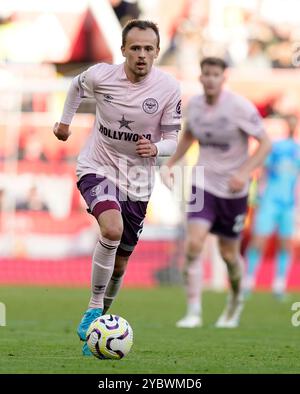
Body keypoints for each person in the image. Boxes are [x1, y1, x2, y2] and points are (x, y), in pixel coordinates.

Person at [53, 20, 181, 355]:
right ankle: (94, 307)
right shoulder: (101, 75)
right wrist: (65, 122)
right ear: (123, 50)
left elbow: (173, 139)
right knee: (111, 229)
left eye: (148, 49)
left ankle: (98, 324)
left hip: (138, 180)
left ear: (156, 51)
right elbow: (76, 86)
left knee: (120, 264)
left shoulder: (168, 88)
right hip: (97, 166)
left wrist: (156, 149)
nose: (141, 55)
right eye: (135, 48)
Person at [161, 57, 271, 328]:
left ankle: (235, 302)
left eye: (215, 74)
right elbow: (189, 136)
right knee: (194, 243)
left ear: (224, 78)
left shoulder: (239, 107)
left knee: (229, 255)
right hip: (203, 183)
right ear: (200, 78)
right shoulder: (195, 106)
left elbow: (266, 143)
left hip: (234, 190)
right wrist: (170, 163)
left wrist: (244, 172)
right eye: (206, 74)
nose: (210, 79)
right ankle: (193, 311)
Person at [244, 114, 300, 299]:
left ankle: (279, 285)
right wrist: (256, 197)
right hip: (269, 201)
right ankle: (249, 282)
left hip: (289, 204)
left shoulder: (297, 149)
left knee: (285, 244)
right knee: (259, 241)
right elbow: (260, 171)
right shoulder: (275, 148)